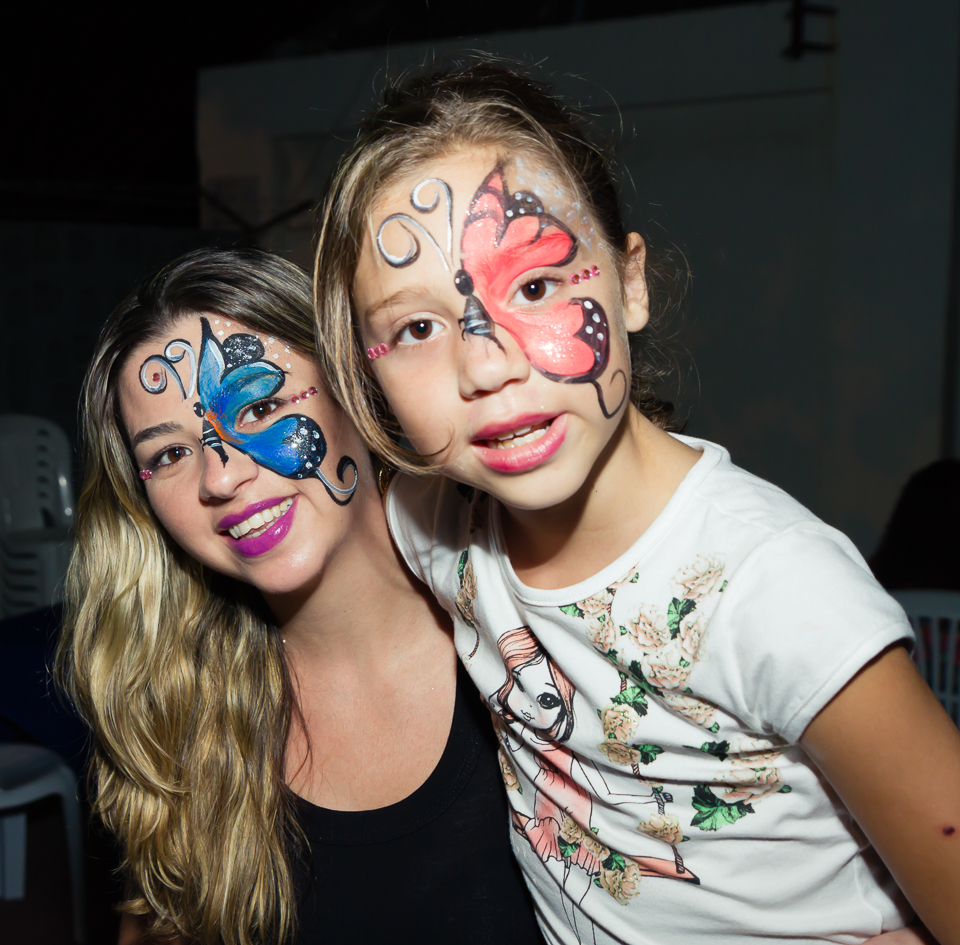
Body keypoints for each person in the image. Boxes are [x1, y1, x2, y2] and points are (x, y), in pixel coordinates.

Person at [311, 61, 960, 944]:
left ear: (631, 283)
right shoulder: (436, 524)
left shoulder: (776, 589)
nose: (487, 366)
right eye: (417, 328)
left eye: (535, 286)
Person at [56, 247, 546, 945]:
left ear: (356, 386)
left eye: (258, 404)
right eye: (169, 454)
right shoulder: (174, 714)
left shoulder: (543, 628)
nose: (221, 476)